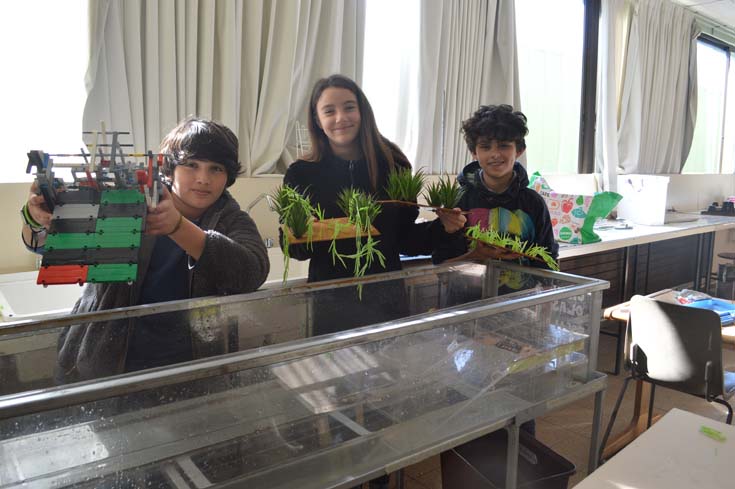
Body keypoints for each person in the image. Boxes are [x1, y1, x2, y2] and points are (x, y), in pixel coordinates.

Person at [22, 117, 270, 382]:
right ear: (170, 168)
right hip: (104, 359)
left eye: (216, 169)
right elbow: (50, 245)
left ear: (228, 175)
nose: (203, 179)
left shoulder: (232, 219)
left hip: (192, 368)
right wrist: (36, 218)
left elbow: (252, 272)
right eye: (191, 165)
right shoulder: (130, 200)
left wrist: (177, 227)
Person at [282, 74, 463, 332]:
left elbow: (405, 240)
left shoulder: (393, 164)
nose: (340, 118)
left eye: (349, 107)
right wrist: (298, 233)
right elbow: (296, 251)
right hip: (330, 303)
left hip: (386, 301)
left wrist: (443, 227)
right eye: (329, 111)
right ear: (318, 120)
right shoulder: (301, 174)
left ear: (363, 112)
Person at [434, 104, 558, 283]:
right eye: (485, 147)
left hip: (522, 298)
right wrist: (476, 255)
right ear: (474, 153)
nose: (495, 154)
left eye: (504, 146)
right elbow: (440, 269)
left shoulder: (533, 203)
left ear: (519, 151)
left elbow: (547, 261)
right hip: (466, 298)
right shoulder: (458, 201)